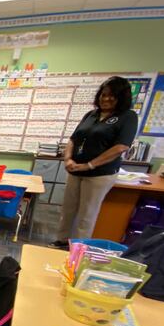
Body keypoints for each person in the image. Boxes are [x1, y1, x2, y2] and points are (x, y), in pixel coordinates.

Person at [51, 76, 139, 247]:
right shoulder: (91, 115)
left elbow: (121, 147)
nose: (105, 99)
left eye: (111, 96)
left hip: (99, 174)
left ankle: (77, 247)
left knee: (86, 213)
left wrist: (90, 165)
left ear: (121, 97)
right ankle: (61, 240)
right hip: (75, 170)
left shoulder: (127, 117)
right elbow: (73, 139)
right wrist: (68, 158)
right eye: (103, 94)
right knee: (68, 209)